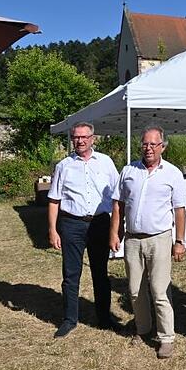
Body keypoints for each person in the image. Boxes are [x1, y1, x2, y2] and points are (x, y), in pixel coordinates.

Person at [109, 126, 186, 359]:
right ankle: (143, 329)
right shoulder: (128, 170)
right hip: (133, 239)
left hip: (160, 238)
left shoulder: (172, 173)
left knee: (159, 290)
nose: (149, 148)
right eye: (145, 143)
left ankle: (166, 337)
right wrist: (115, 232)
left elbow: (180, 210)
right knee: (135, 290)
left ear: (163, 146)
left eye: (154, 144)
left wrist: (180, 241)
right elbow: (118, 204)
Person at [47, 121, 120, 338]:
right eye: (75, 137)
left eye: (84, 137)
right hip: (72, 224)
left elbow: (117, 196)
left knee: (100, 272)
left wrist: (118, 226)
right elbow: (53, 200)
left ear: (93, 139)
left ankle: (104, 318)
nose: (79, 141)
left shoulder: (106, 163)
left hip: (99, 223)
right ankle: (70, 319)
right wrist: (53, 229)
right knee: (71, 274)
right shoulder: (64, 166)